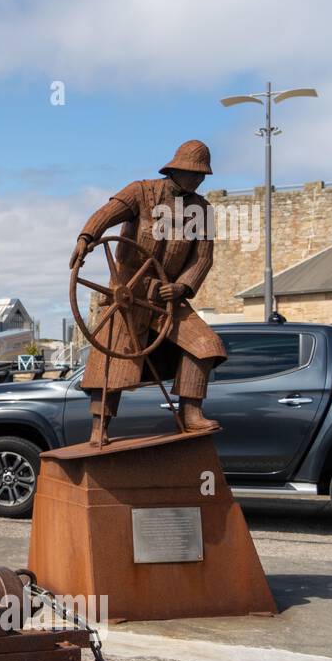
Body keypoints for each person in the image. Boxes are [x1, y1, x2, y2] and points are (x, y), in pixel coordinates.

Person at [69, 139, 227, 446]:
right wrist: (87, 237)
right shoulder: (141, 192)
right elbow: (107, 213)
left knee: (206, 345)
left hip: (168, 300)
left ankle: (191, 413)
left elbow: (202, 258)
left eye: (201, 175)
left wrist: (182, 285)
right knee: (110, 364)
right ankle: (99, 427)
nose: (198, 179)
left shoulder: (201, 210)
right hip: (128, 296)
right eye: (192, 173)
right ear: (175, 169)